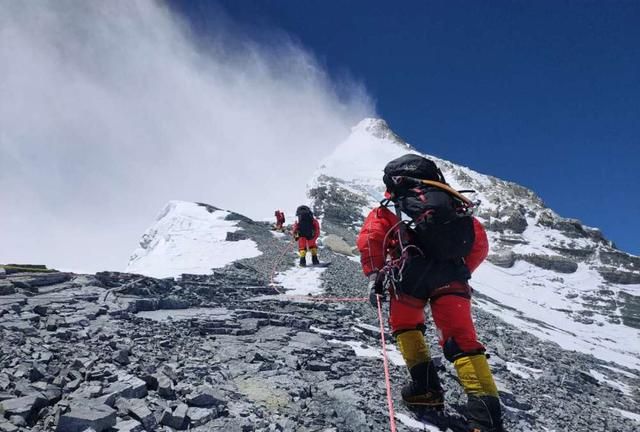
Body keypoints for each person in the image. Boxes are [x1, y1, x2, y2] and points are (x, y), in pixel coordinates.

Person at [356, 154, 503, 432]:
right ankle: (486, 420)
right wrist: (460, 273)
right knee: (462, 340)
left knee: (405, 326)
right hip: (451, 279)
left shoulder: (390, 208)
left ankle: (425, 391)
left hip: (407, 279)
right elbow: (478, 243)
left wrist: (375, 276)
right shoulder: (454, 206)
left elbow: (371, 237)